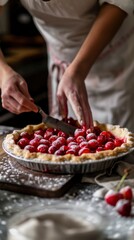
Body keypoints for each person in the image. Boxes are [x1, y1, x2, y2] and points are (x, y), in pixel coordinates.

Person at [0, 0, 134, 132]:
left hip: (113, 56)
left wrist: (78, 70)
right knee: (69, 132)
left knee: (118, 137)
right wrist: (4, 74)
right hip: (61, 54)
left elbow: (118, 4)